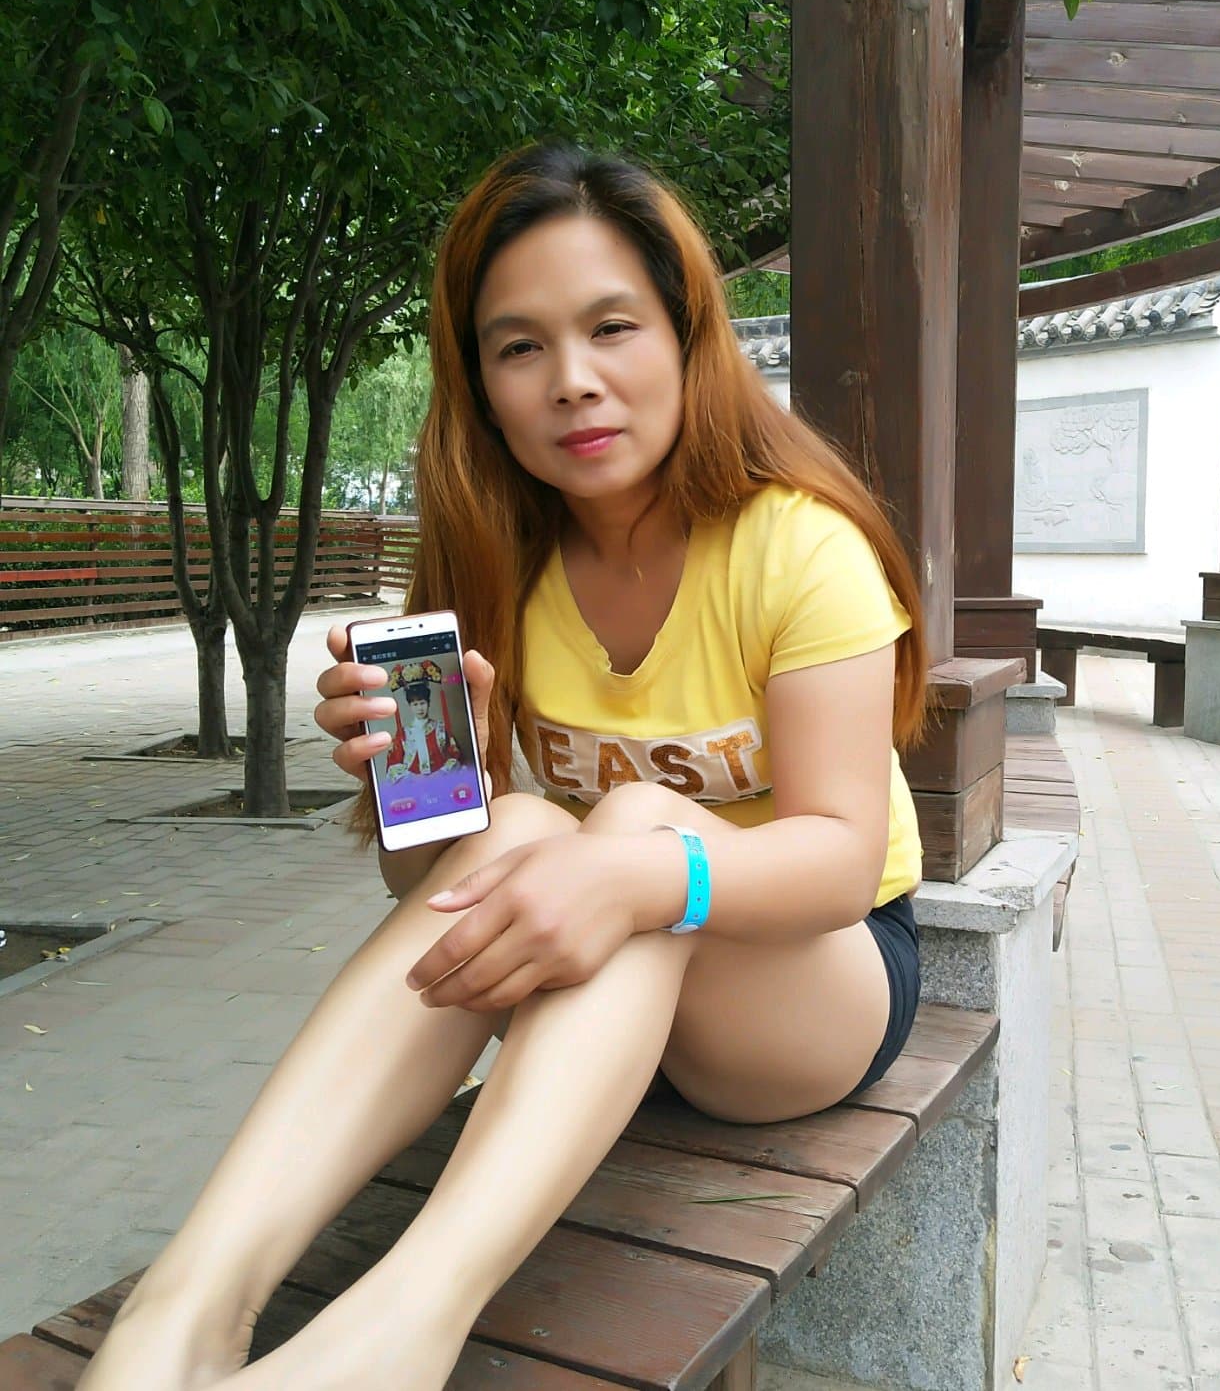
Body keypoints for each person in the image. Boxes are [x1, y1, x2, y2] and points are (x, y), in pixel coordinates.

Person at [76, 143, 929, 1391]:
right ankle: (183, 1314)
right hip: (605, 992)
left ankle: (392, 1338)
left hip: (813, 986)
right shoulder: (499, 559)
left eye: (612, 328)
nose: (572, 381)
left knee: (629, 824)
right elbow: (431, 885)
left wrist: (637, 874)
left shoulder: (799, 547)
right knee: (526, 828)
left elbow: (844, 863)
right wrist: (429, 788)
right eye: (520, 346)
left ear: (689, 337)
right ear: (478, 381)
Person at [385, 678, 464, 779]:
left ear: (428, 703)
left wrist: (440, 773)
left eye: (422, 703)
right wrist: (414, 778)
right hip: (414, 784)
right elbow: (393, 764)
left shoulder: (440, 728)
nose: (419, 708)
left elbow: (455, 755)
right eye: (415, 704)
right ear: (410, 706)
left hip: (441, 779)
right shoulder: (404, 733)